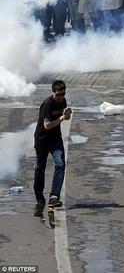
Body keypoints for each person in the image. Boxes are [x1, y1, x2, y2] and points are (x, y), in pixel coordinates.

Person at [33, 80, 72, 215]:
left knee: (60, 165)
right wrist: (62, 118)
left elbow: (62, 117)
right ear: (53, 92)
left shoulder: (63, 101)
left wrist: (66, 116)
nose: (61, 97)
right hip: (42, 139)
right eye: (58, 94)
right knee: (40, 168)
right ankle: (39, 197)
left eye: (63, 94)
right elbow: (47, 125)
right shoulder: (47, 104)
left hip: (55, 139)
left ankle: (54, 197)